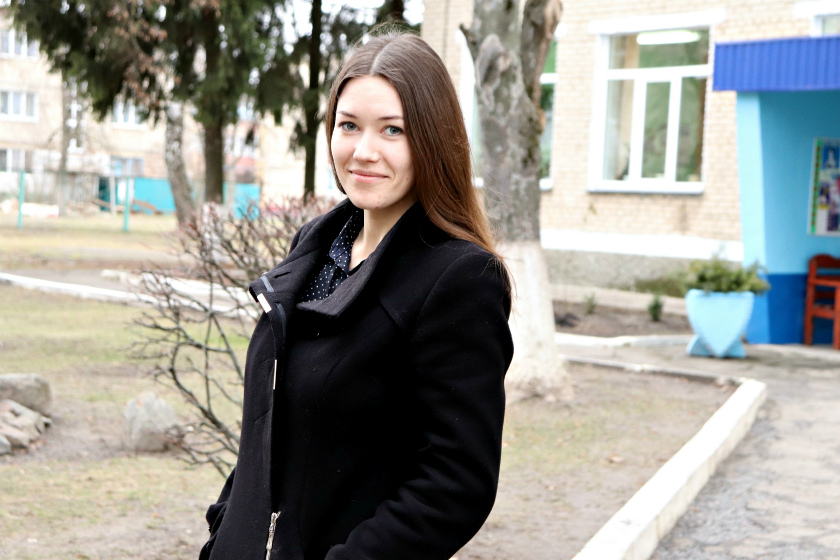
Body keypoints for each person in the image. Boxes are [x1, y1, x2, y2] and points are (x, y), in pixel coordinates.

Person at [199, 30, 514, 560]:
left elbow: (456, 484)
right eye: (349, 126)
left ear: (433, 140)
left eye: (393, 130)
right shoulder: (316, 247)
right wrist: (222, 531)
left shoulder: (460, 277)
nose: (364, 151)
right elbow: (270, 427)